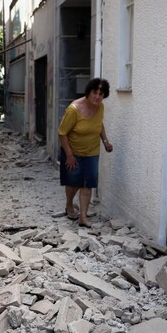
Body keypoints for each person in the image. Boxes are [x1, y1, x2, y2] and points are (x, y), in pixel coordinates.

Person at [58, 78, 113, 228]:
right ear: (88, 92)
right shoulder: (73, 109)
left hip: (92, 152)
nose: (97, 96)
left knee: (87, 184)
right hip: (73, 151)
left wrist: (106, 141)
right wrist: (69, 155)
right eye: (95, 92)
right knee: (73, 182)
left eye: (101, 94)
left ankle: (83, 217)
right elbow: (62, 133)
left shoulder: (100, 107)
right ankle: (69, 205)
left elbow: (98, 124)